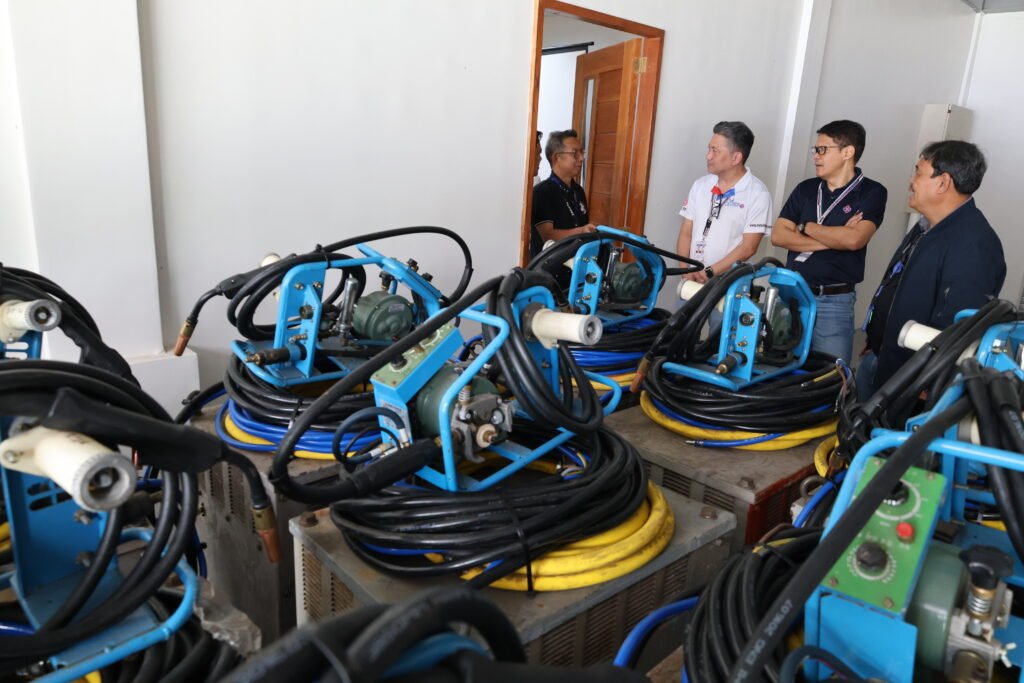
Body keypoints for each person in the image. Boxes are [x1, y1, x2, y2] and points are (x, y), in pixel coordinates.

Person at [857, 140, 1005, 400]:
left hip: (914, 384)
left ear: (943, 182)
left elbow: (959, 323)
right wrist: (877, 336)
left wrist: (931, 380)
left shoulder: (973, 244)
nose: (911, 181)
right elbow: (897, 284)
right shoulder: (926, 227)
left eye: (918, 172)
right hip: (884, 360)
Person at [771, 120, 888, 362]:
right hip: (792, 294)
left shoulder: (872, 192)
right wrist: (835, 237)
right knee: (778, 366)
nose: (816, 156)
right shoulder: (806, 189)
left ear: (848, 152)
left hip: (833, 302)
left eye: (822, 149)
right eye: (815, 150)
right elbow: (779, 236)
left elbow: (854, 240)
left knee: (830, 373)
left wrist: (806, 227)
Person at [676, 121, 773, 283]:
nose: (708, 156)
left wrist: (708, 272)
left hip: (727, 284)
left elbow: (748, 248)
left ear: (736, 157)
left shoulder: (758, 194)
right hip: (691, 281)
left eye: (715, 150)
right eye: (709, 149)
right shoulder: (700, 185)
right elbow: (686, 232)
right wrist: (685, 270)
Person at [530, 129, 596, 258]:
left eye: (582, 152)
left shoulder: (578, 191)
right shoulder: (542, 192)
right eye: (575, 153)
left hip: (577, 264)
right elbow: (548, 236)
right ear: (557, 158)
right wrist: (582, 231)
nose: (581, 158)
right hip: (549, 266)